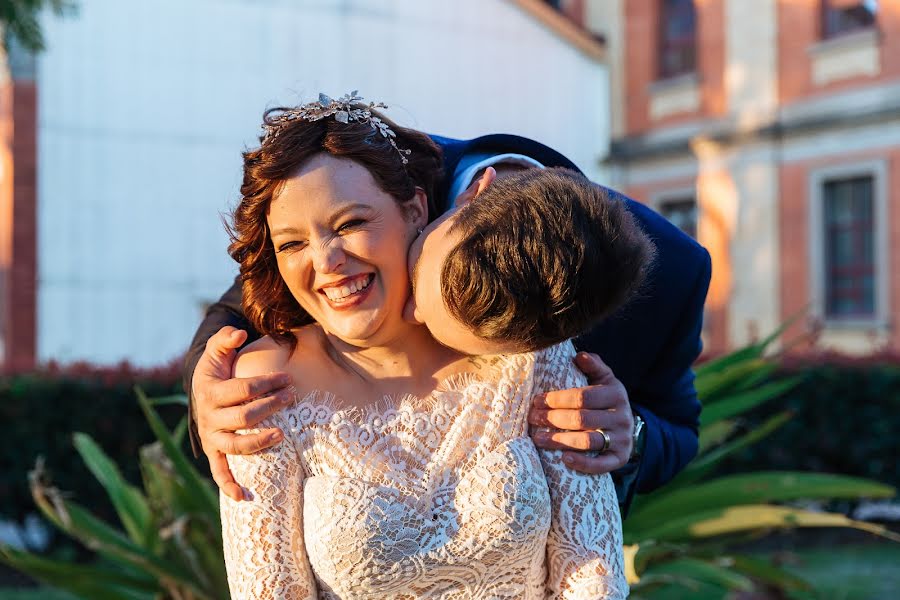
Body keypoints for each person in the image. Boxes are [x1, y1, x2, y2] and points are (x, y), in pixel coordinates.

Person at [186, 103, 711, 516]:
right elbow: (247, 301)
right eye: (420, 283)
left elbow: (680, 429)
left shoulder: (675, 279)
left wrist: (632, 435)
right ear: (460, 202)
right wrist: (208, 394)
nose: (411, 313)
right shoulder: (361, 175)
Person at [220, 94, 629, 597]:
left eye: (350, 224)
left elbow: (593, 573)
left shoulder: (522, 346)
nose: (326, 261)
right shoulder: (264, 382)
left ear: (415, 209)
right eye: (292, 244)